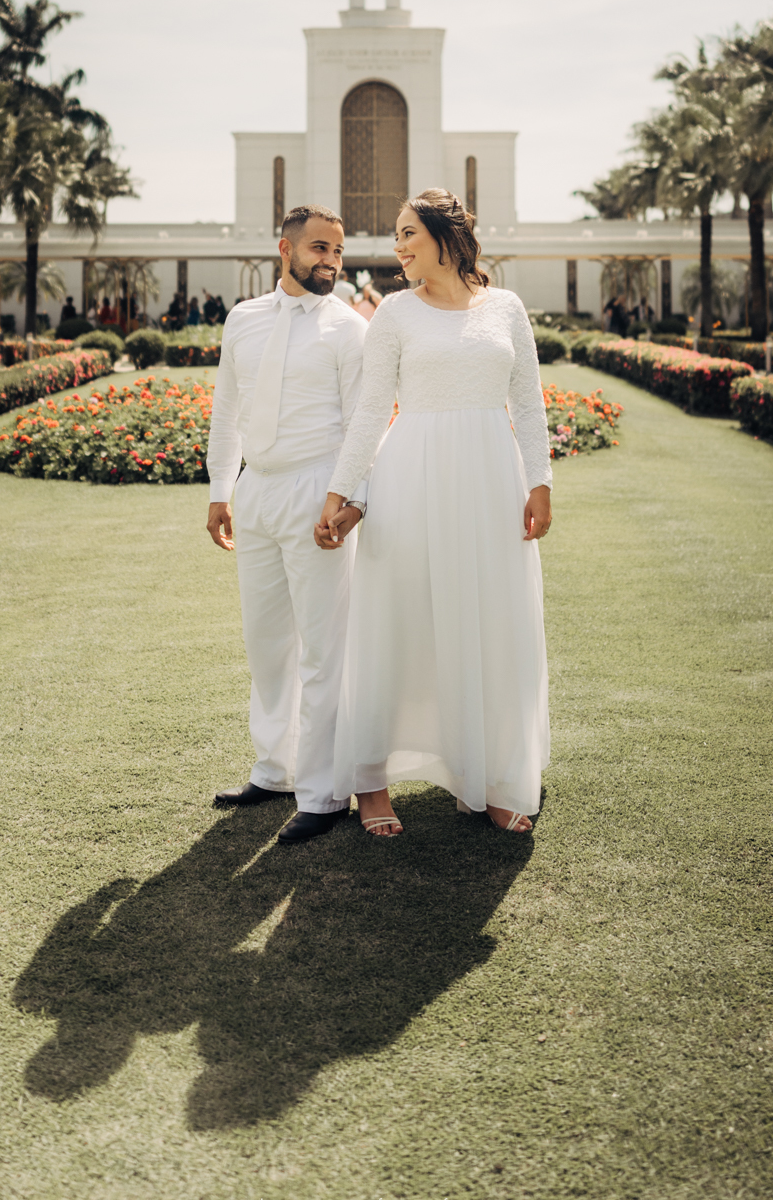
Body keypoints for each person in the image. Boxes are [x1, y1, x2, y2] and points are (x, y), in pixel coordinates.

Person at [316, 189, 552, 839]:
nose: (398, 247)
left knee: (492, 620)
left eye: (408, 233)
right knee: (398, 622)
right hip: (410, 477)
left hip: (490, 480)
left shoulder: (505, 308)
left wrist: (541, 483)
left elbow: (528, 405)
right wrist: (340, 493)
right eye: (396, 236)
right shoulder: (393, 313)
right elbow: (370, 412)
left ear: (446, 234)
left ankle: (494, 777)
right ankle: (370, 781)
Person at [206, 205, 370, 846]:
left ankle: (326, 792)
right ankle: (273, 771)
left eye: (338, 251)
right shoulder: (242, 320)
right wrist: (223, 487)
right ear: (286, 248)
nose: (331, 261)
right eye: (320, 249)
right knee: (266, 642)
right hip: (257, 491)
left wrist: (352, 498)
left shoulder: (348, 330)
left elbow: (365, 421)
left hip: (317, 492)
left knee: (324, 648)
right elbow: (226, 408)